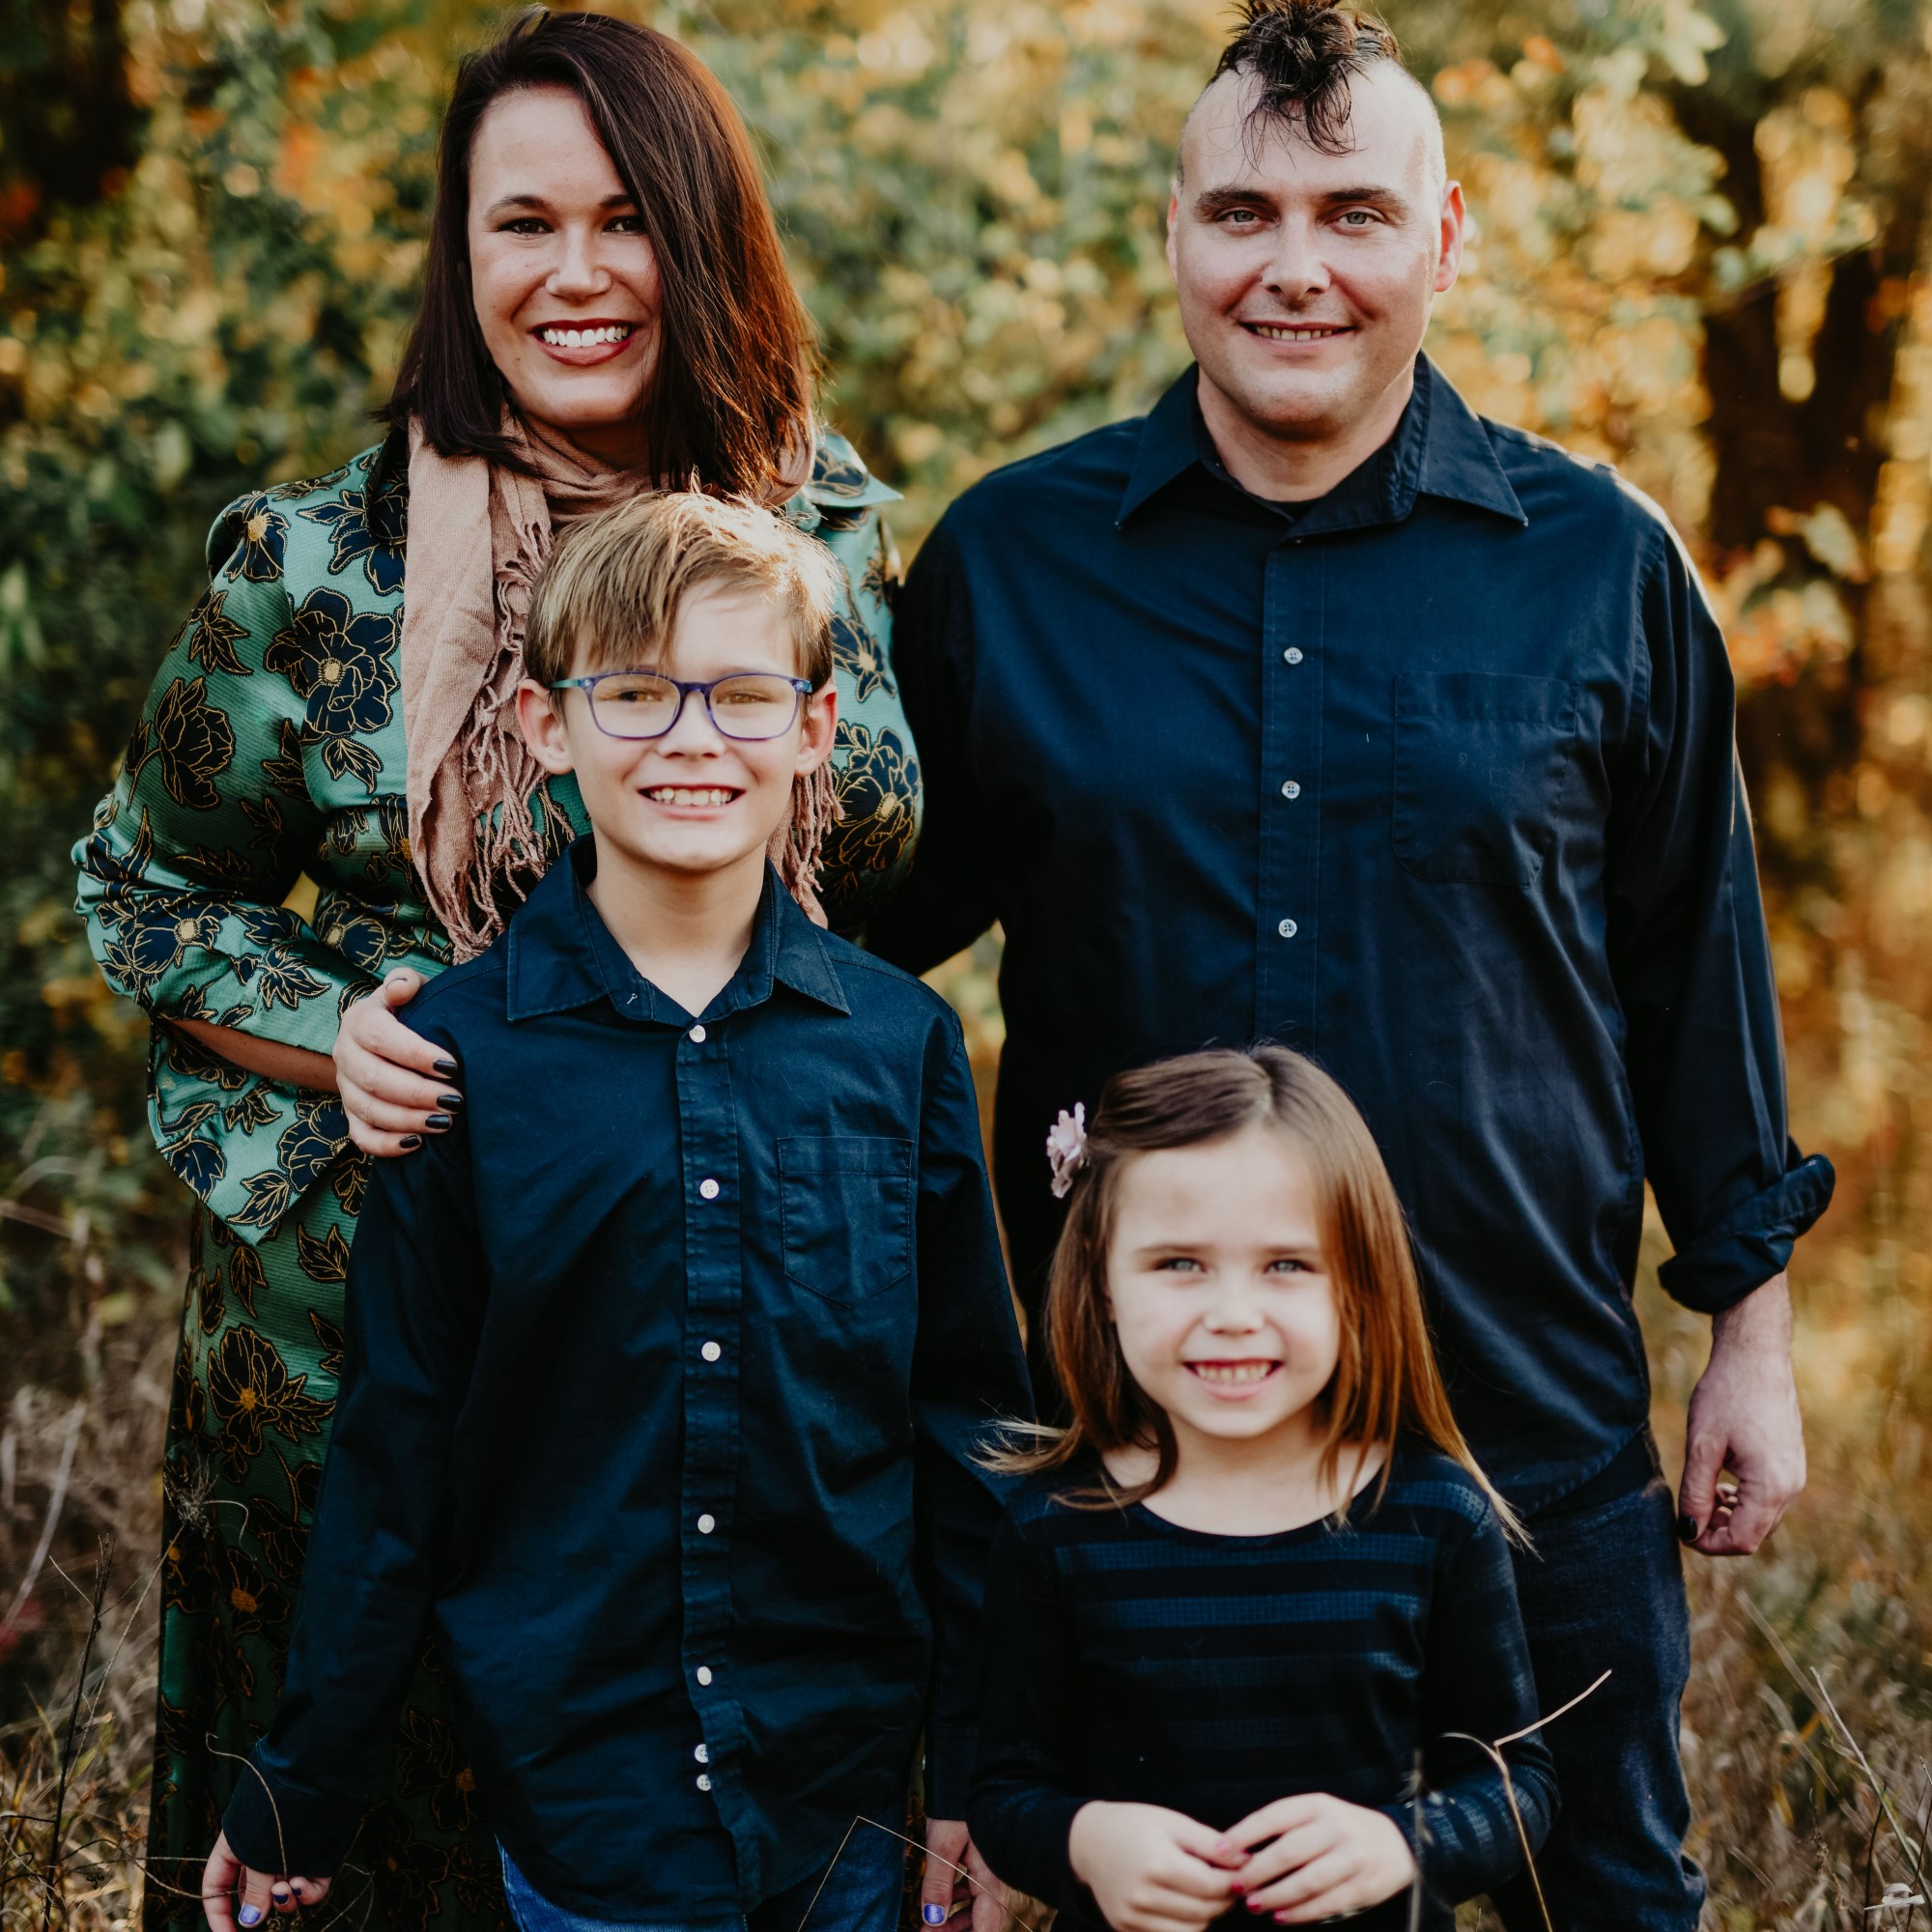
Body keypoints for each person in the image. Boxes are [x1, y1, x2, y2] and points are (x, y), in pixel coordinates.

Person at [865, 2, 1835, 1926]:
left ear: (1443, 239)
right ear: (1172, 234)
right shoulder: (1006, 566)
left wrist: (1751, 1337)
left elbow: (1693, 972)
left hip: (1528, 1439)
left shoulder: (1602, 566)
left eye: (1353, 214)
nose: (1292, 267)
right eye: (1242, 212)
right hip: (1138, 1478)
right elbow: (851, 968)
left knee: (1607, 1897)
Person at [71, 14, 920, 1926]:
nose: (576, 273)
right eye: (522, 223)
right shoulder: (318, 565)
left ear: (700, 243)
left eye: (627, 221)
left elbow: (878, 889)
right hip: (379, 1336)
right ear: (459, 255)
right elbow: (143, 886)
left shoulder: (822, 527)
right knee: (364, 1849)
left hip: (737, 1330)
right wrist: (335, 1031)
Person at [197, 491, 1030, 1932]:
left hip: (840, 1788)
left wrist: (979, 1766)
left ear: (816, 728)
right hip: (583, 1790)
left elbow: (965, 1424)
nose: (692, 738)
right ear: (543, 723)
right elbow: (402, 1439)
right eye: (635, 693)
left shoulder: (900, 1046)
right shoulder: (456, 1055)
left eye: (743, 694)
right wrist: (304, 1776)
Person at [968, 1047, 1556, 1932]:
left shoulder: (1434, 1518)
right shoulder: (1055, 1528)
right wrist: (1087, 1842)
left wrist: (1402, 1844)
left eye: (1286, 1264)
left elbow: (1517, 1784)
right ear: (1102, 1282)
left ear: (1357, 1283)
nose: (1233, 1315)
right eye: (1179, 1263)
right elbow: (1008, 1790)